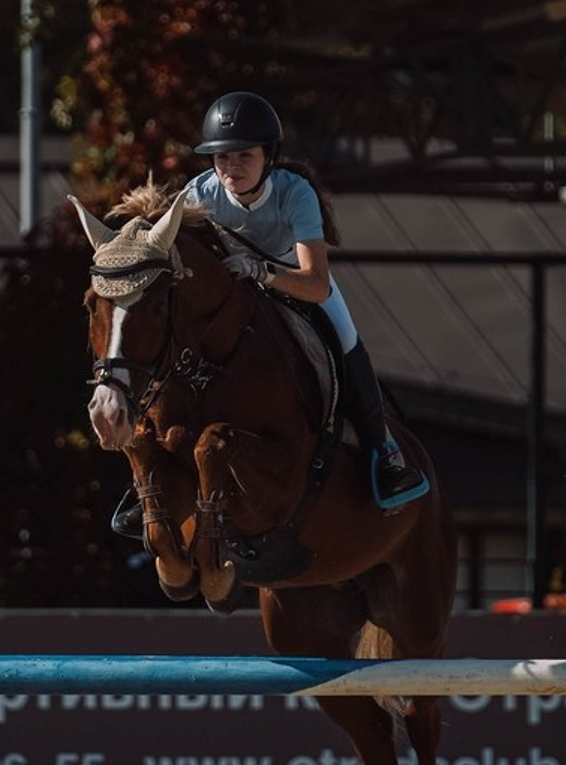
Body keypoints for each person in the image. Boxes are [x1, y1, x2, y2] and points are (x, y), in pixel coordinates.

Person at [111, 91, 428, 538]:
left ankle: (385, 451)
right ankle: (147, 477)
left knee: (346, 338)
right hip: (233, 296)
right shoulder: (198, 194)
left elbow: (315, 282)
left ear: (269, 157)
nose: (231, 167)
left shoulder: (295, 193)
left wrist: (262, 271)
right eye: (222, 157)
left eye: (244, 156)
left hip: (293, 283)